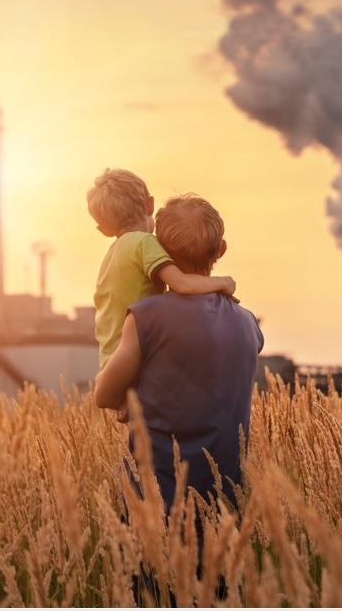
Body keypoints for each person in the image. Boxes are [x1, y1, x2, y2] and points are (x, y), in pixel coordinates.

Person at [93, 192, 264, 514]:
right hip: (225, 503)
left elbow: (104, 395)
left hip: (152, 502)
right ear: (221, 250)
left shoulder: (145, 317)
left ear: (158, 251)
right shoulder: (248, 324)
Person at [87, 168, 237, 420]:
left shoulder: (114, 252)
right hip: (134, 355)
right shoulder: (143, 244)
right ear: (149, 205)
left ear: (103, 229)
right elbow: (182, 285)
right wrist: (224, 283)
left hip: (112, 358)